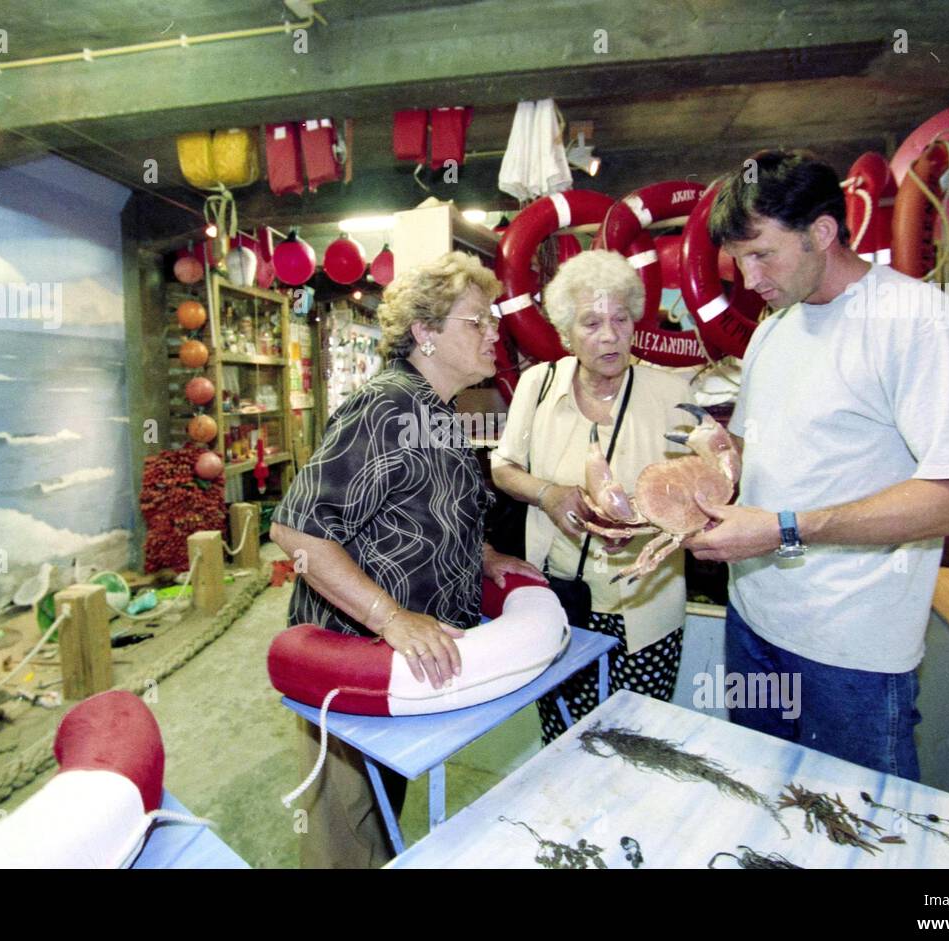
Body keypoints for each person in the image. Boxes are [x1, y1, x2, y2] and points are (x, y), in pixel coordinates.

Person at [684, 150, 949, 780]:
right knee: (764, 802)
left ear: (822, 233)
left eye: (762, 254)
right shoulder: (773, 330)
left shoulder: (922, 324)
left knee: (863, 829)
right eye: (739, 259)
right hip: (754, 621)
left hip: (850, 647)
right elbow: (758, 451)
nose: (748, 279)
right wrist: (719, 458)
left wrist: (787, 527)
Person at [270, 250, 543, 868]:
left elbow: (437, 512)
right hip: (350, 661)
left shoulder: (442, 411)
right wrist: (390, 617)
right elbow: (296, 529)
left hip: (410, 666)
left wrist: (486, 555)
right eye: (476, 321)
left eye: (493, 319)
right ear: (425, 333)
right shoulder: (389, 407)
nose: (493, 332)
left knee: (385, 812)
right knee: (346, 836)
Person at [491, 250, 698, 744]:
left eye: (619, 319)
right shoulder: (538, 386)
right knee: (565, 740)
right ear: (565, 333)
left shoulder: (672, 391)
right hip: (563, 600)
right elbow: (502, 467)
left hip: (646, 606)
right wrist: (549, 494)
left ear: (634, 322)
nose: (608, 335)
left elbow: (700, 490)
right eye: (590, 322)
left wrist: (657, 514)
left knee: (640, 742)